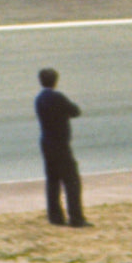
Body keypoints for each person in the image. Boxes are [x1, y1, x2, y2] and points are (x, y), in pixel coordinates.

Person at [35, 68, 88, 227]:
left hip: (46, 142)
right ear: (55, 80)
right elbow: (75, 111)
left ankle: (55, 216)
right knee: (72, 181)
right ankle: (76, 217)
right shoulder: (57, 97)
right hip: (60, 144)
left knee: (52, 181)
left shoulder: (39, 99)